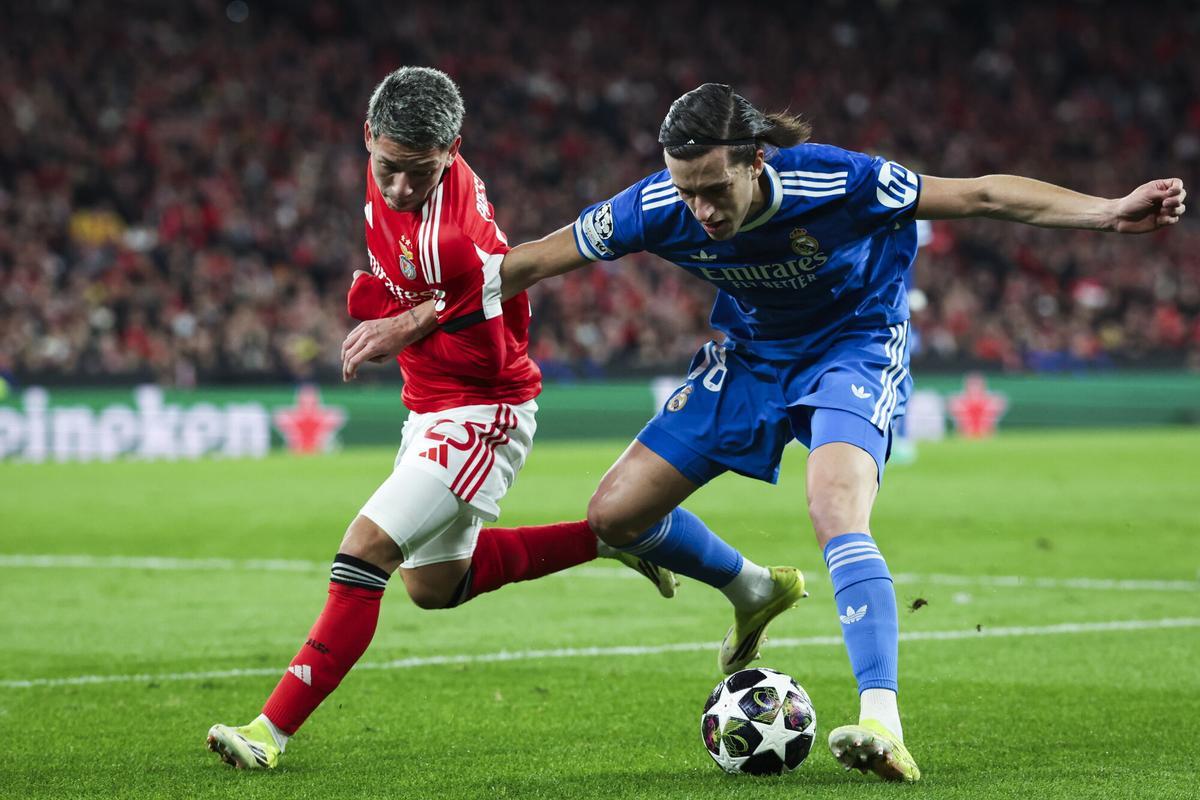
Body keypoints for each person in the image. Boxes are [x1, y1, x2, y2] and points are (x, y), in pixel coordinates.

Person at [347, 83, 1187, 783]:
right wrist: (412, 322)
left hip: (852, 346)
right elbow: (525, 262)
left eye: (715, 189)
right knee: (614, 517)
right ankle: (753, 588)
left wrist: (1108, 213)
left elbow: (981, 194)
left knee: (834, 509)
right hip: (750, 359)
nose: (700, 209)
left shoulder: (839, 181)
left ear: (757, 161)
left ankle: (881, 721)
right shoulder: (656, 208)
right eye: (685, 190)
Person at [205, 66, 689, 771]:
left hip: (481, 407)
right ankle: (612, 541)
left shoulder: (454, 237)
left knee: (363, 551)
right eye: (389, 168)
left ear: (453, 149)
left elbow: (490, 358)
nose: (400, 187)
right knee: (434, 587)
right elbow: (404, 281)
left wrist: (401, 321)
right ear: (368, 135)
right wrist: (385, 303)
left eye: (419, 173)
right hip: (428, 404)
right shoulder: (391, 174)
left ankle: (268, 732)